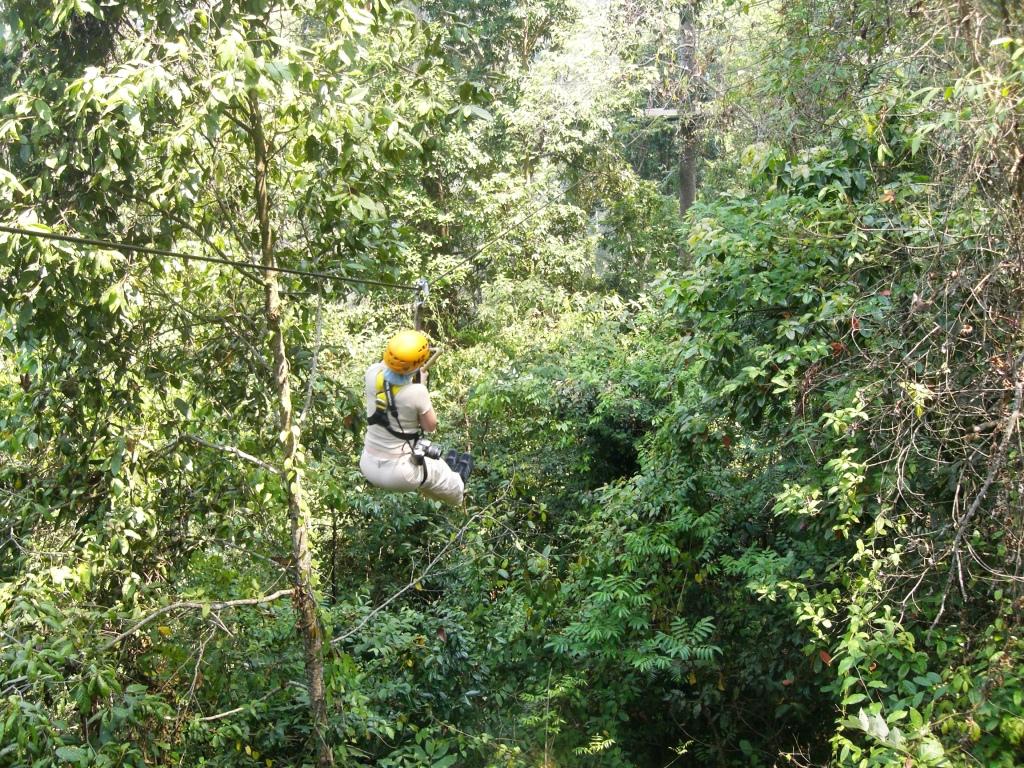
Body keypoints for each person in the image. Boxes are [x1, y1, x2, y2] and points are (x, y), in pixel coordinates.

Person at [359, 330, 471, 506]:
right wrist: (421, 384)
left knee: (431, 467)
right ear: (416, 366)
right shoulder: (417, 392)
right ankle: (459, 491)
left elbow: (390, 373)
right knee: (442, 475)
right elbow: (430, 426)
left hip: (368, 463)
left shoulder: (371, 373)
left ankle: (437, 479)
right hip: (399, 472)